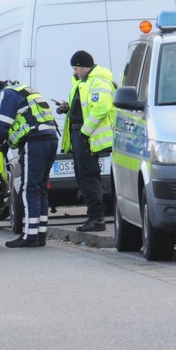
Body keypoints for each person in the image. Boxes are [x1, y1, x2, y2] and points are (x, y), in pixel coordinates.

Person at [0, 78, 59, 248]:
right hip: (50, 138)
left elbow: (2, 125)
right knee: (40, 188)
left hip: (35, 140)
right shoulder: (21, 89)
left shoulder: (6, 94)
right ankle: (40, 233)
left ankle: (30, 236)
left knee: (28, 188)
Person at [56, 50, 116, 233]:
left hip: (88, 137)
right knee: (82, 177)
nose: (75, 72)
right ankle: (93, 216)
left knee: (89, 177)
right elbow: (82, 108)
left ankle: (97, 218)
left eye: (76, 68)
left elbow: (101, 108)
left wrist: (84, 133)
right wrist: (66, 108)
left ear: (84, 66)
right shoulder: (81, 83)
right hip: (80, 136)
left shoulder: (99, 81)